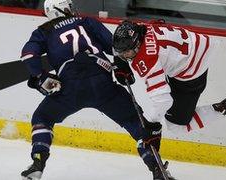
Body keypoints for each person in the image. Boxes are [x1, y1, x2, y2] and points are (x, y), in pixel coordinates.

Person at [20, 0, 175, 179]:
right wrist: (121, 66)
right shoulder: (86, 21)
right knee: (135, 121)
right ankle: (157, 169)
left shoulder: (44, 31)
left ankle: (38, 162)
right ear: (63, 7)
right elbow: (116, 47)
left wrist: (40, 76)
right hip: (102, 78)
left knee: (43, 117)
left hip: (70, 85)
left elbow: (28, 55)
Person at [112, 20, 226, 133]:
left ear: (137, 45)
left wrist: (151, 123)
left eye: (126, 53)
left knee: (176, 126)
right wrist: (119, 60)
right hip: (197, 46)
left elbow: (163, 100)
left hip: (191, 71)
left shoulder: (146, 58)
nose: (125, 56)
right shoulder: (142, 27)